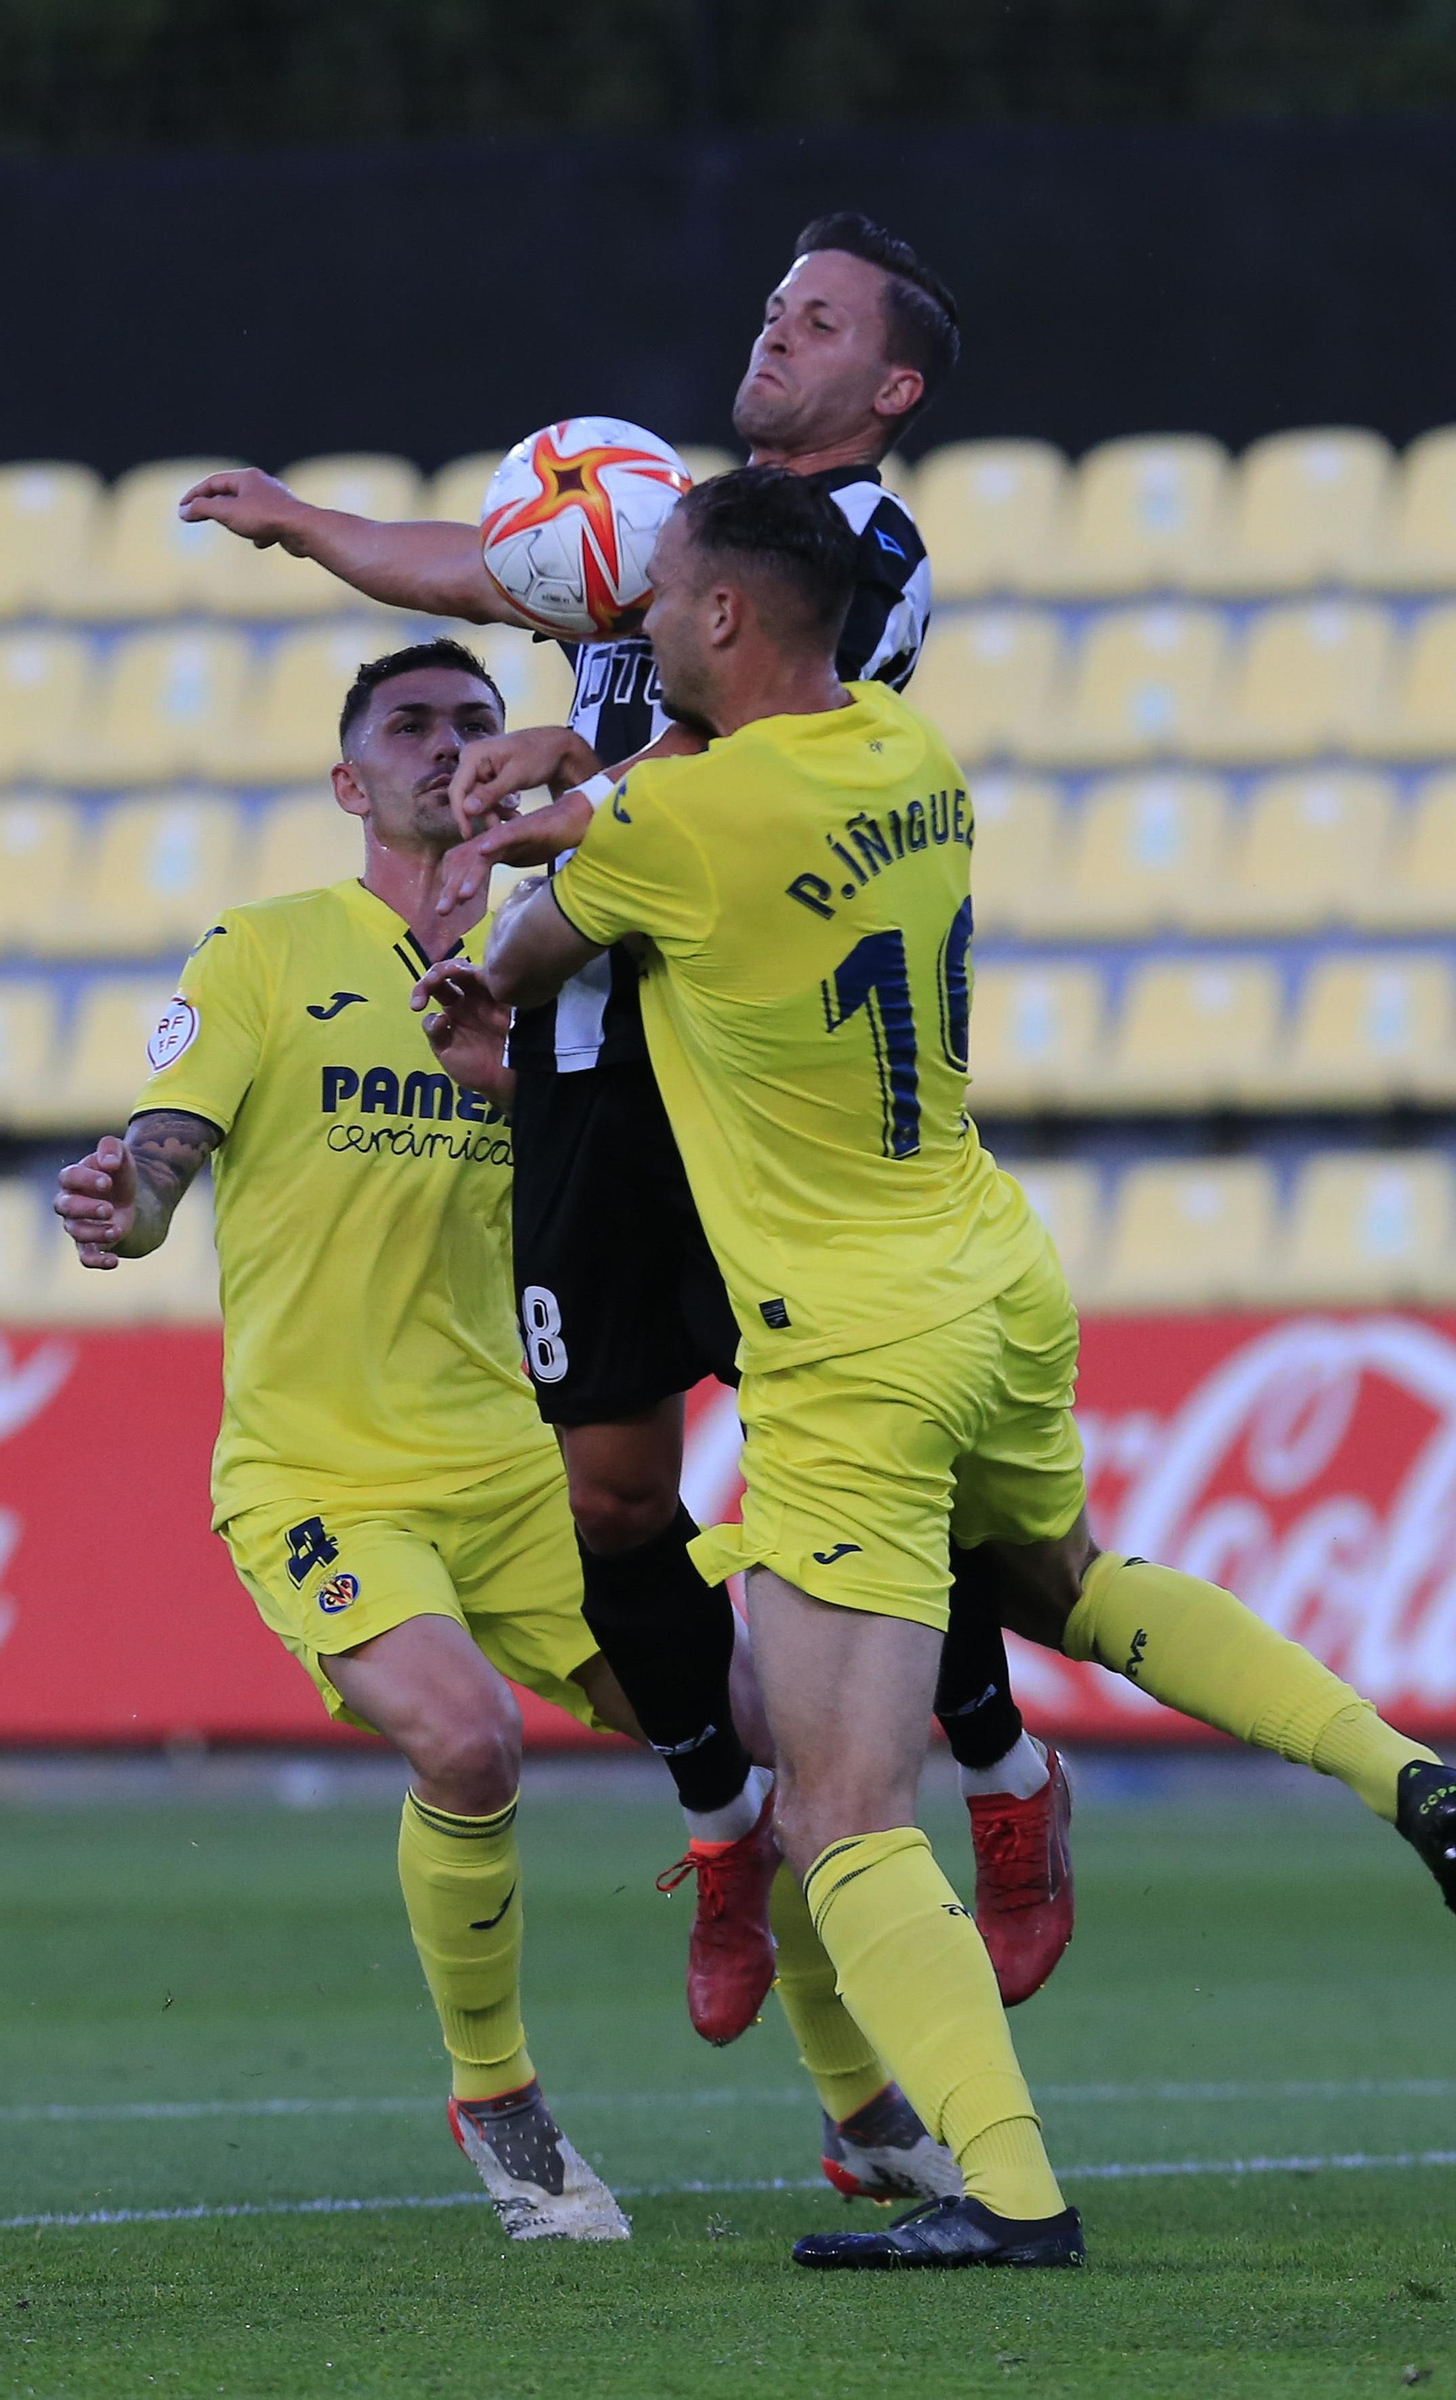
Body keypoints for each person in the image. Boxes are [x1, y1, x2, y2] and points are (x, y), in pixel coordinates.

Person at [446, 467, 1456, 2270]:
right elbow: (656, 836)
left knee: (839, 1804)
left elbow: (547, 921)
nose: (632, 626)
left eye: (659, 604)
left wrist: (506, 883)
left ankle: (1008, 2196)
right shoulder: (917, 757)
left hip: (851, 1346)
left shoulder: (681, 829)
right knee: (1062, 1583)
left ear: (725, 619)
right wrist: (584, 807)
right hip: (994, 1277)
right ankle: (1394, 1767)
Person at [177, 212, 1074, 2056]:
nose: (775, 330)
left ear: (888, 386)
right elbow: (501, 566)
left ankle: (1001, 1773)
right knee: (613, 1495)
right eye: (773, 302)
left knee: (857, 1467)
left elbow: (750, 760)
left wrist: (559, 784)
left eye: (815, 319)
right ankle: (723, 1824)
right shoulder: (673, 522)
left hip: (740, 1067)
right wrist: (312, 531)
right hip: (593, 1061)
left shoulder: (856, 558)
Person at [52, 640, 644, 2245]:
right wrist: (134, 1196)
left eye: (472, 720)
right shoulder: (265, 948)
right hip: (321, 1469)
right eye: (408, 725)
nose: (446, 745)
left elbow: (631, 1169)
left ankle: (866, 2108)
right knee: (467, 1741)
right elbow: (172, 1152)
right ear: (348, 781)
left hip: (526, 1460)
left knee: (755, 1726)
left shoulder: (570, 957)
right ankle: (498, 2095)